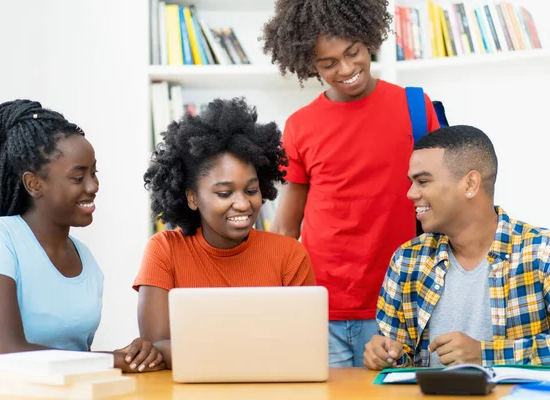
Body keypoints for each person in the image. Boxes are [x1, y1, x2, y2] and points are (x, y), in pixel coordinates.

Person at [261, 0, 440, 367]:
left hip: (398, 303)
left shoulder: (415, 107)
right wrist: (275, 303)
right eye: (328, 63)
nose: (346, 69)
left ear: (366, 37)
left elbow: (443, 202)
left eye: (353, 53)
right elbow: (285, 227)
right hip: (320, 304)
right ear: (309, 65)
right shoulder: (300, 126)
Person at [0, 100, 162, 376]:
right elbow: (7, 353)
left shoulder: (86, 259)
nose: (93, 186)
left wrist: (135, 354)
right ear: (34, 184)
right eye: (78, 177)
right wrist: (114, 360)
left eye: (94, 173)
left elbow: (76, 360)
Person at [134, 97, 316, 370]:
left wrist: (201, 350)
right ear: (192, 198)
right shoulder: (164, 250)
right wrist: (255, 353)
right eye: (224, 193)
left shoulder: (289, 254)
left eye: (251, 190)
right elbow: (156, 346)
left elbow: (305, 347)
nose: (243, 204)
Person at [364, 125, 550, 370]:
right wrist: (386, 355)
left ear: (470, 184)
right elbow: (400, 358)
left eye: (422, 181)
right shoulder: (406, 260)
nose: (411, 193)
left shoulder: (541, 252)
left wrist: (486, 354)